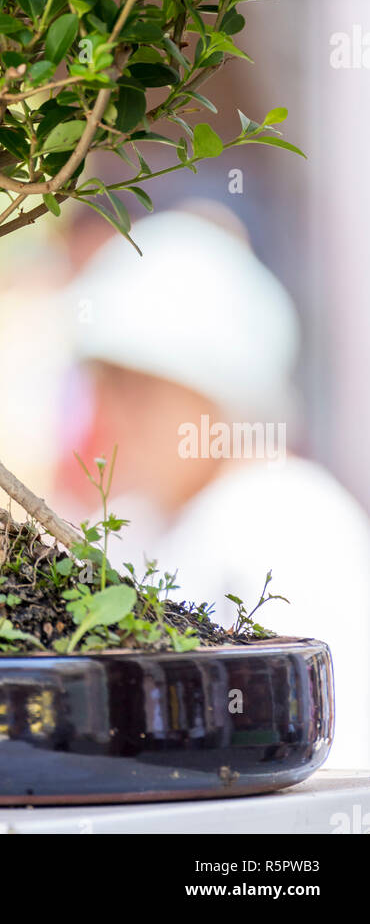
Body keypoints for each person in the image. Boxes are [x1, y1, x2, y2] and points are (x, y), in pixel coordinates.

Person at [62, 205, 370, 768]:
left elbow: (327, 770)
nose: (116, 416)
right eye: (108, 387)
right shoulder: (140, 522)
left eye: (142, 390)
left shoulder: (292, 518)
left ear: (221, 390)